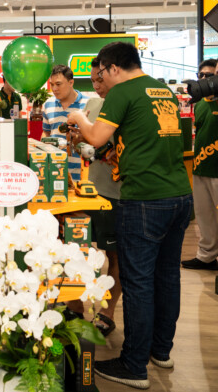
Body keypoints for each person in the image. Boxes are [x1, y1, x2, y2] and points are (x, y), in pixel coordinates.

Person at [67, 42, 192, 389]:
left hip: (144, 199)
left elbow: (96, 137)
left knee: (138, 282)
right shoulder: (162, 91)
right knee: (167, 278)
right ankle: (160, 351)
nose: (101, 81)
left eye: (101, 74)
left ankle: (134, 365)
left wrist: (79, 118)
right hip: (179, 195)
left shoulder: (123, 91)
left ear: (112, 68)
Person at [72, 57, 122, 337]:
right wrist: (77, 139)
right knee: (77, 249)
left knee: (115, 255)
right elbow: (83, 143)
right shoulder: (92, 104)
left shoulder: (125, 105)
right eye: (92, 80)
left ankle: (107, 313)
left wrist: (101, 148)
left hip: (116, 194)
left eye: (99, 79)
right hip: (88, 190)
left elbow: (115, 150)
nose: (97, 85)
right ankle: (75, 307)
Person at [182, 59, 218, 271]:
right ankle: (206, 256)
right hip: (201, 166)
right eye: (201, 75)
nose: (204, 79)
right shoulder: (201, 103)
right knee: (204, 216)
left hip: (217, 170)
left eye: (209, 76)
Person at [43, 65, 88, 181]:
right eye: (52, 84)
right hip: (54, 173)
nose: (54, 89)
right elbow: (46, 133)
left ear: (71, 82)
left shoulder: (87, 104)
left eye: (58, 84)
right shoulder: (48, 104)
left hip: (82, 175)